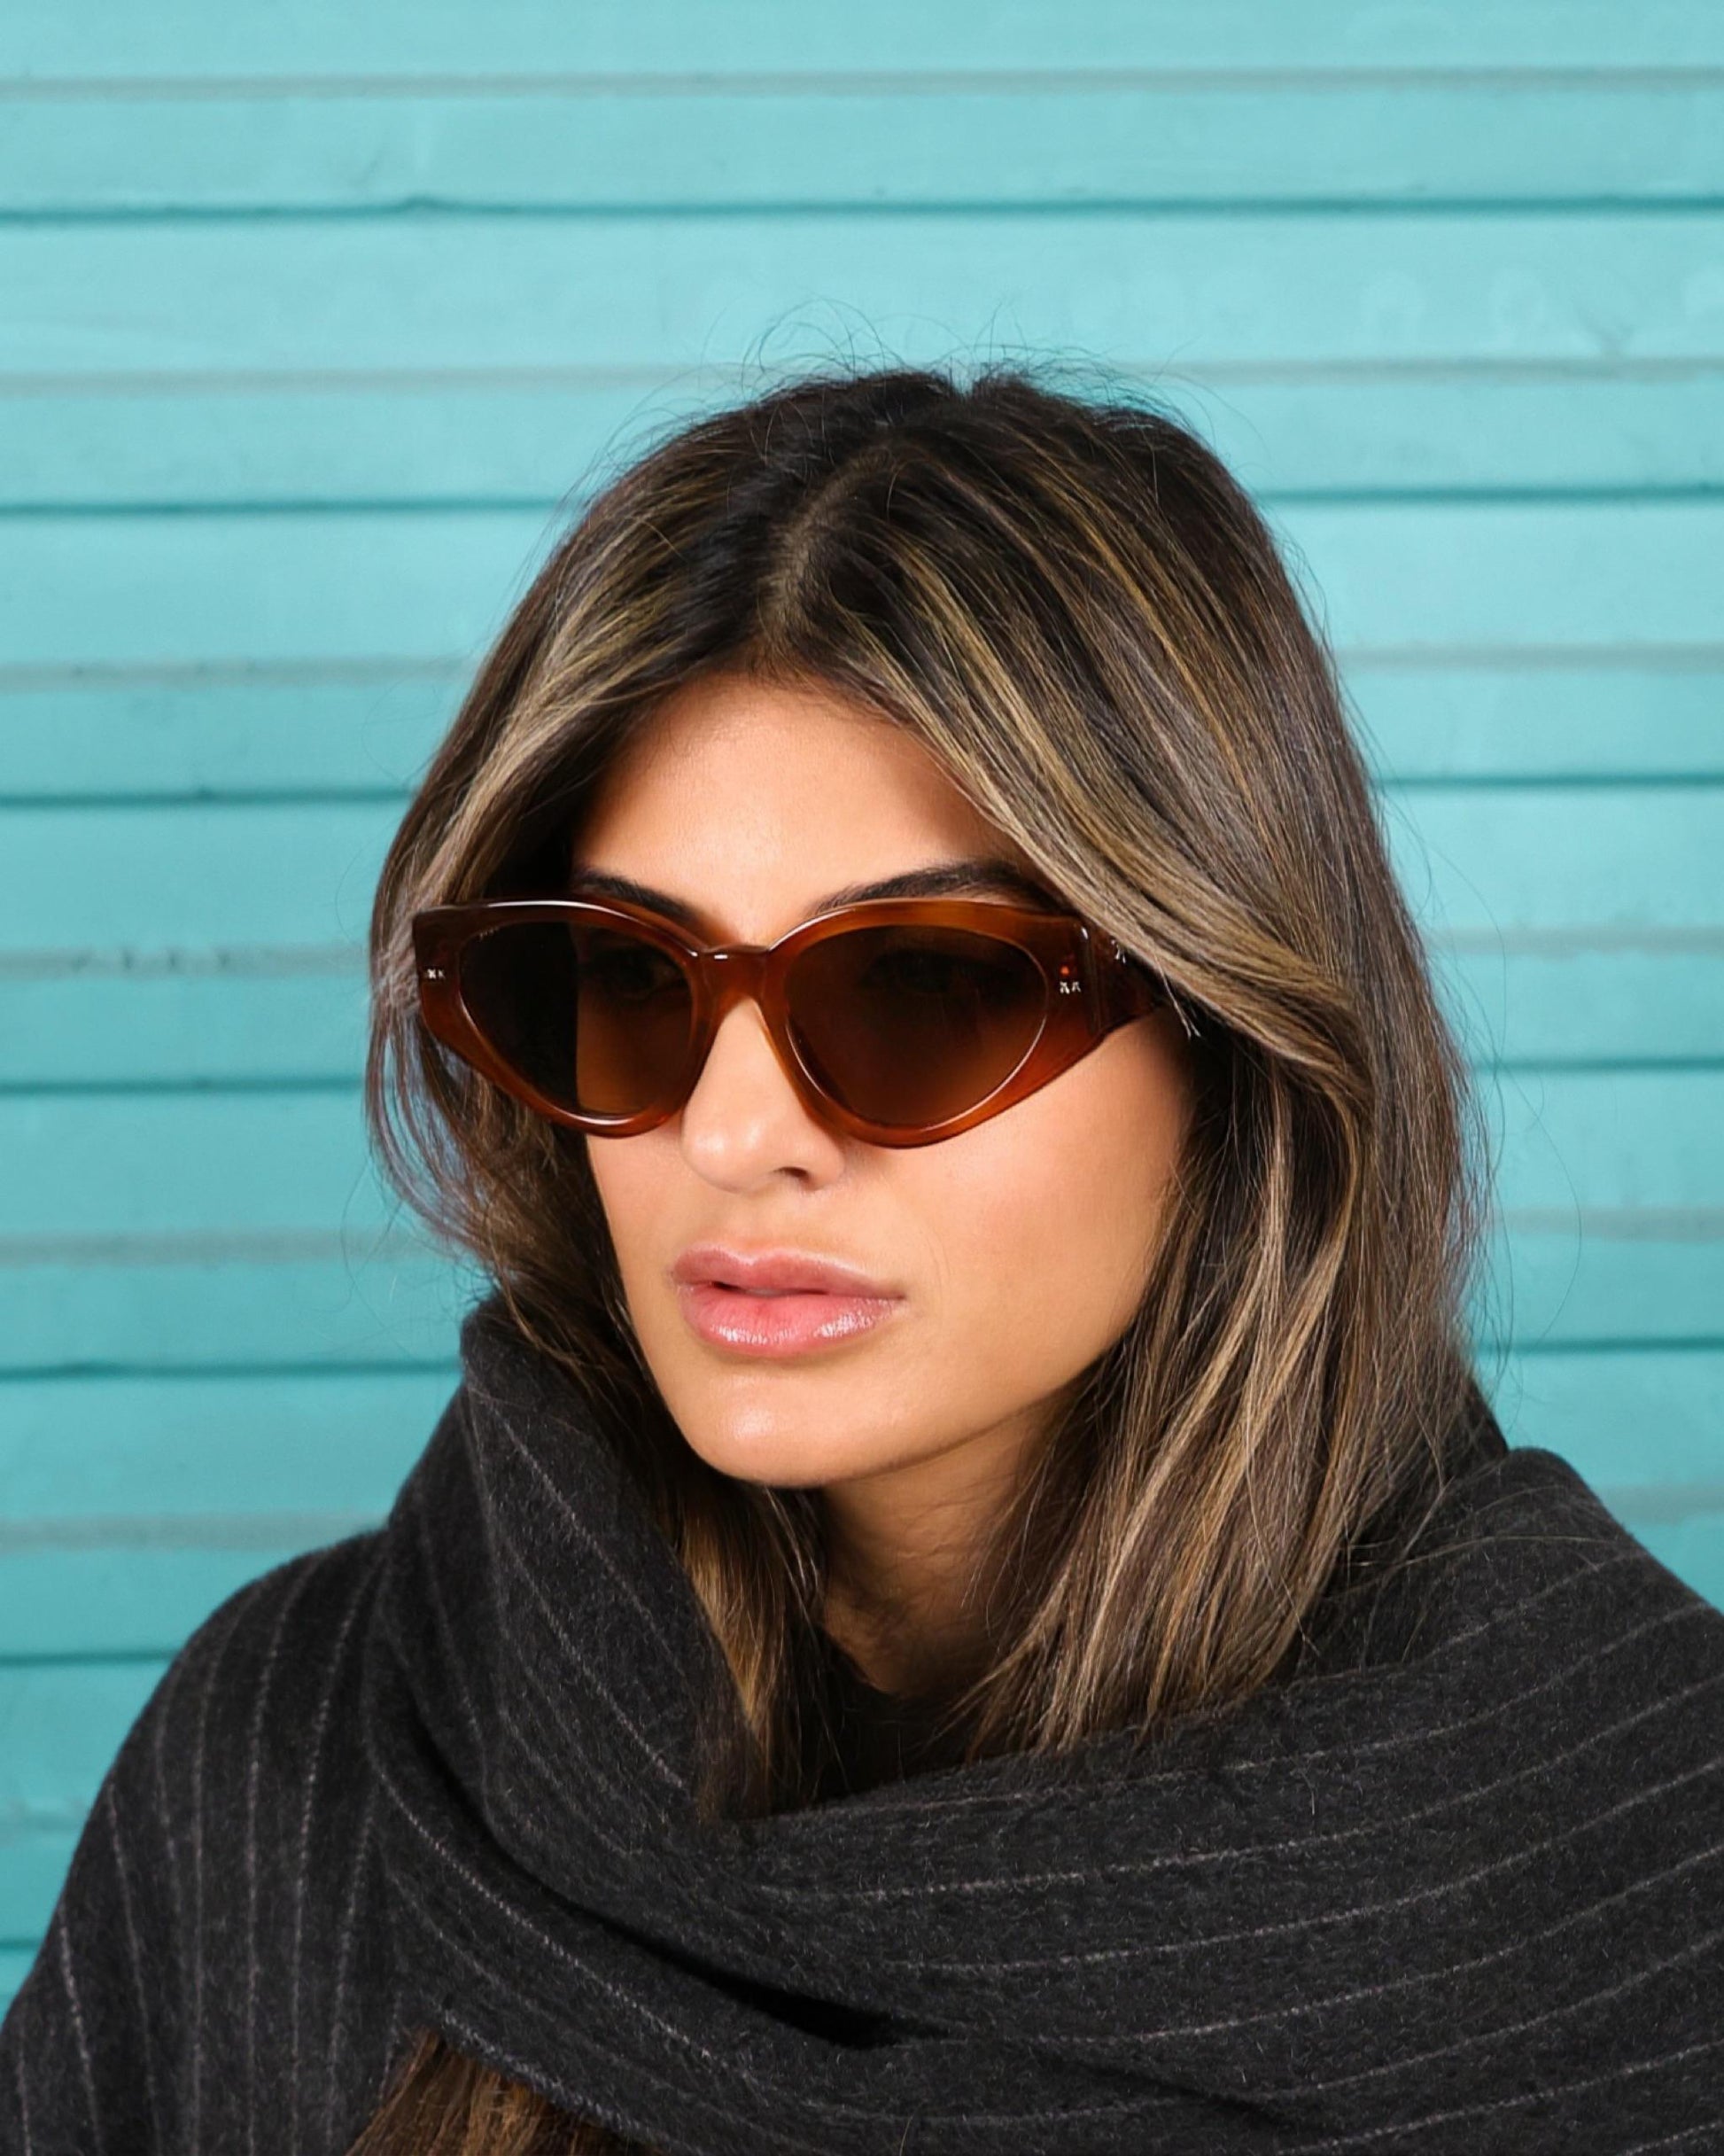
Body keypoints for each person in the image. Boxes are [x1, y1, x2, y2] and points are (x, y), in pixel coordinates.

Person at [3, 364, 1720, 2156]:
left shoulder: (1639, 1852)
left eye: (921, 984)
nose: (733, 1133)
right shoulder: (302, 1755)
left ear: (1232, 1044)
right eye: (631, 978)